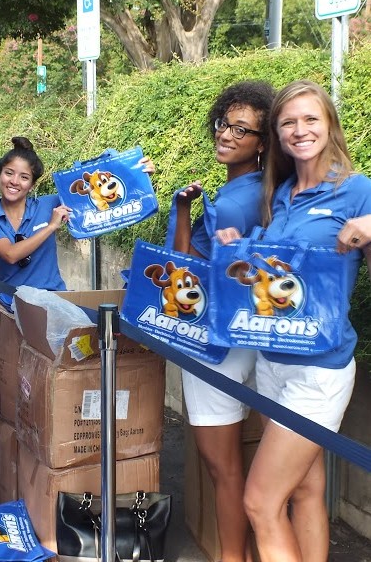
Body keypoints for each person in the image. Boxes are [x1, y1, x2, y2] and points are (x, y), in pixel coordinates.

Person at [217, 80, 371, 562]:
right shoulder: (280, 193)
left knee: (260, 503)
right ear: (277, 135)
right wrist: (237, 249)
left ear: (330, 125)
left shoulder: (357, 189)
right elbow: (271, 275)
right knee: (305, 490)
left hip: (318, 371)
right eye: (288, 122)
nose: (300, 130)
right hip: (272, 362)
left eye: (310, 119)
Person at [170, 80, 276, 562]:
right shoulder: (264, 192)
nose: (226, 134)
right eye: (224, 123)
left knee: (224, 469)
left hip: (216, 343)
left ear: (262, 142)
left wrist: (182, 211)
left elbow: (184, 270)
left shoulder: (233, 202)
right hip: (257, 338)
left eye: (241, 129)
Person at [0, 137, 155, 309]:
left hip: (55, 301)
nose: (14, 181)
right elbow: (10, 254)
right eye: (9, 173)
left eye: (24, 177)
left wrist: (137, 173)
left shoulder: (48, 205)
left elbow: (98, 193)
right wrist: (51, 227)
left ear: (32, 185)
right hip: (12, 304)